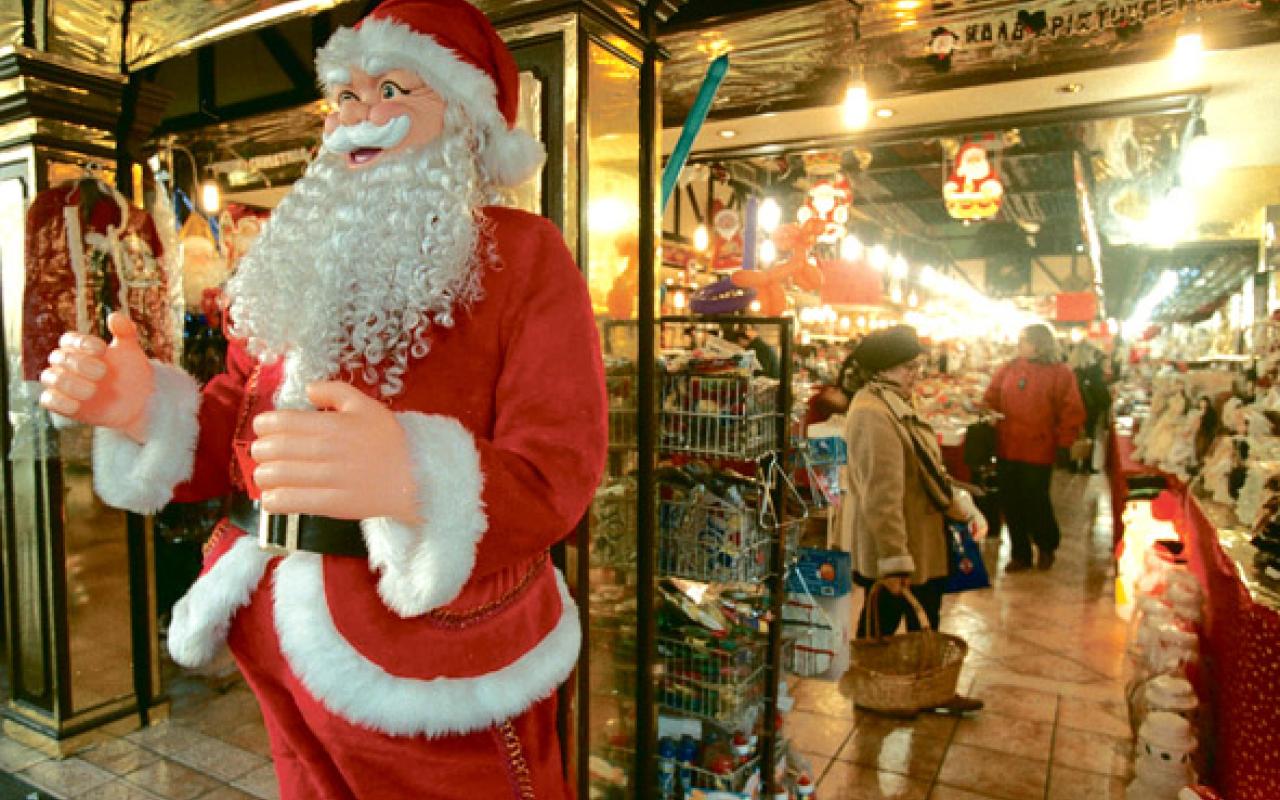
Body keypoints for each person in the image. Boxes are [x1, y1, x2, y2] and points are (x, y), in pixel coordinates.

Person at [37, 1, 606, 797]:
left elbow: (559, 472)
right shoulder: (296, 256)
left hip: (431, 661)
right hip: (267, 625)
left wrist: (414, 476)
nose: (359, 117)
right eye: (346, 95)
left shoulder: (524, 258)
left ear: (468, 120)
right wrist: (148, 411)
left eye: (395, 90)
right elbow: (240, 426)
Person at [839, 325, 986, 714]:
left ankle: (932, 689)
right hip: (897, 542)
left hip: (918, 536)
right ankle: (872, 695)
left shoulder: (894, 402)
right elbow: (881, 495)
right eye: (908, 367)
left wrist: (959, 501)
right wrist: (894, 559)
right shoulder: (873, 412)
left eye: (916, 365)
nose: (916, 374)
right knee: (880, 629)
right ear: (881, 370)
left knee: (926, 619)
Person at [983, 323, 1085, 572]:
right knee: (1010, 501)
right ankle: (1020, 554)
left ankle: (1046, 544)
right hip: (1008, 445)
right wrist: (986, 411)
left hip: (1039, 447)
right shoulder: (1009, 368)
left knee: (1036, 500)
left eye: (1024, 340)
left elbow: (1072, 410)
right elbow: (991, 396)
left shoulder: (1061, 373)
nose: (1019, 345)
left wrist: (1065, 442)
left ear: (1039, 344)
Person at [1069, 342, 1111, 473]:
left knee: (1075, 435)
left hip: (1075, 407)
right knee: (1089, 434)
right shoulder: (1094, 370)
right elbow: (1099, 389)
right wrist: (1107, 402)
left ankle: (1073, 463)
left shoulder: (1072, 371)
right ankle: (1087, 465)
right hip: (1090, 407)